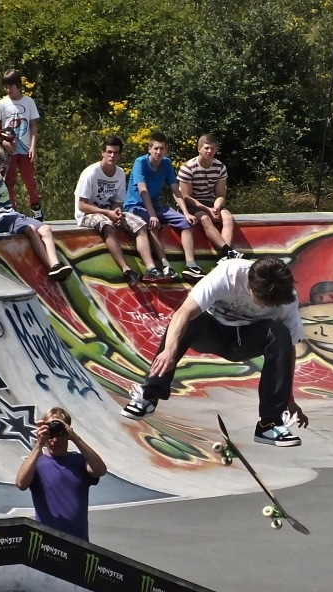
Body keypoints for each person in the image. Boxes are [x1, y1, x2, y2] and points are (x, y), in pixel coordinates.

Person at [121, 257, 310, 447]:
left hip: (244, 342)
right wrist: (169, 350)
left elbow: (288, 349)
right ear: (249, 285)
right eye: (261, 300)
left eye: (269, 305)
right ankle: (150, 393)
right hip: (211, 332)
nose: (263, 306)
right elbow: (183, 313)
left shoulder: (287, 300)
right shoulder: (228, 274)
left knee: (280, 333)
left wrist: (288, 398)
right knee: (189, 317)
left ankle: (269, 424)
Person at [74, 136, 161, 283]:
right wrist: (107, 213)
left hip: (109, 211)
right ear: (102, 153)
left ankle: (151, 268)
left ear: (119, 154)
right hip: (87, 213)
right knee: (107, 225)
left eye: (115, 153)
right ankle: (126, 269)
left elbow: (116, 201)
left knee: (140, 224)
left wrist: (117, 211)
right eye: (109, 152)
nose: (112, 156)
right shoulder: (91, 173)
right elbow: (82, 205)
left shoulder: (120, 173)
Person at [14, 406, 107, 541]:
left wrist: (75, 438)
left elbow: (100, 470)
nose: (54, 440)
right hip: (46, 544)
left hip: (78, 542)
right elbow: (20, 484)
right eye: (50, 434)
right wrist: (39, 443)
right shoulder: (36, 464)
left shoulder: (79, 462)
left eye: (59, 433)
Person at [0, 147, 72, 282]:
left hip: (12, 214)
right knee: (31, 229)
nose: (4, 167)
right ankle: (51, 269)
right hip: (1, 218)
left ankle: (55, 264)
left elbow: (7, 154)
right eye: (2, 165)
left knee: (45, 229)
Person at [124, 132, 204, 281]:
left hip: (156, 205)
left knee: (187, 223)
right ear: (149, 149)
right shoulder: (140, 163)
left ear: (166, 150)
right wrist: (153, 214)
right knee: (152, 223)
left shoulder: (166, 163)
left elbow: (175, 190)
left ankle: (191, 265)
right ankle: (164, 264)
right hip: (136, 206)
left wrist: (186, 212)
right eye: (155, 148)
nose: (158, 152)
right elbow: (143, 190)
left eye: (161, 149)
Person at [178, 134, 245, 261]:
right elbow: (186, 197)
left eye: (212, 149)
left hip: (209, 201)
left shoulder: (220, 167)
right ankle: (228, 252)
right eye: (206, 148)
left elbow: (220, 195)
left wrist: (216, 207)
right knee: (205, 219)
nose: (209, 151)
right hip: (190, 204)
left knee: (228, 218)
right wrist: (207, 210)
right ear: (199, 149)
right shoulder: (188, 168)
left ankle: (225, 256)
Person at [0, 68, 43, 220]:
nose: (8, 90)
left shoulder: (29, 102)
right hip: (9, 149)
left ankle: (36, 209)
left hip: (25, 148)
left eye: (11, 86)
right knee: (9, 181)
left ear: (18, 85)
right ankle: (12, 212)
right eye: (5, 87)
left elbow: (33, 125)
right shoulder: (2, 104)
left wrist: (33, 146)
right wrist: (3, 141)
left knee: (29, 181)